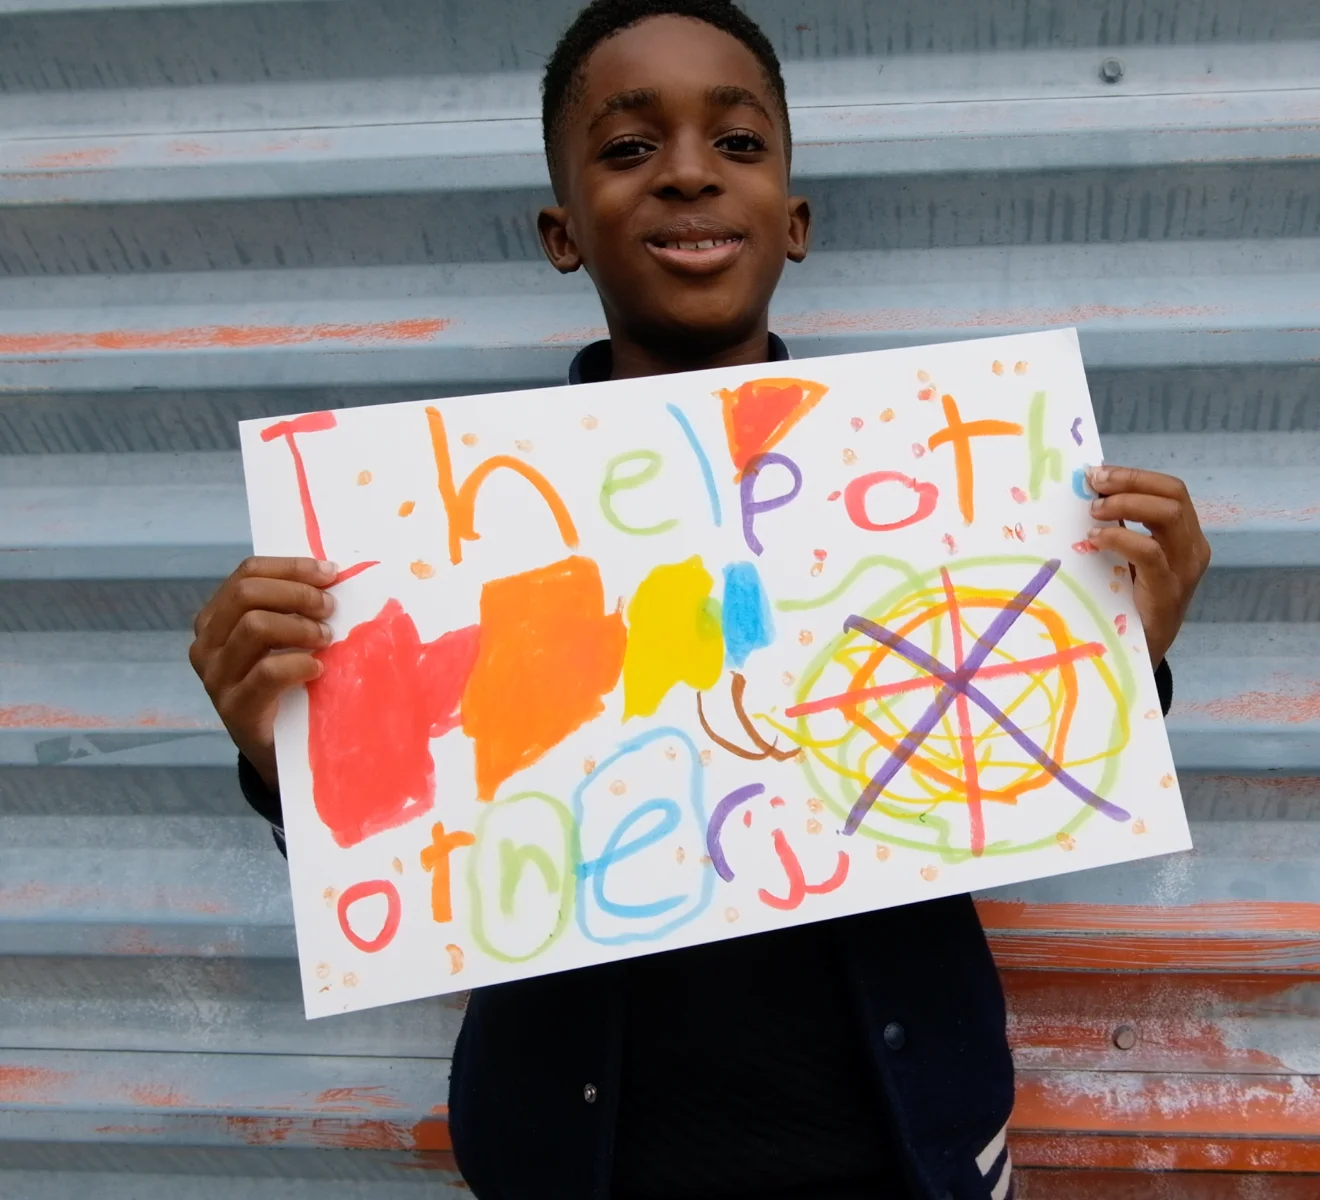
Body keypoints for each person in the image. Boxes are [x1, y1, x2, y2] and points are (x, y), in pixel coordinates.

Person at [188, 2, 1212, 1197]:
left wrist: (1123, 659)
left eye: (737, 144)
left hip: (904, 1146)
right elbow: (411, 847)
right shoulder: (454, 538)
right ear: (562, 231)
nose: (686, 174)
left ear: (795, 217)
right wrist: (286, 753)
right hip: (583, 1156)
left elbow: (1001, 766)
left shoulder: (937, 493)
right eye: (629, 149)